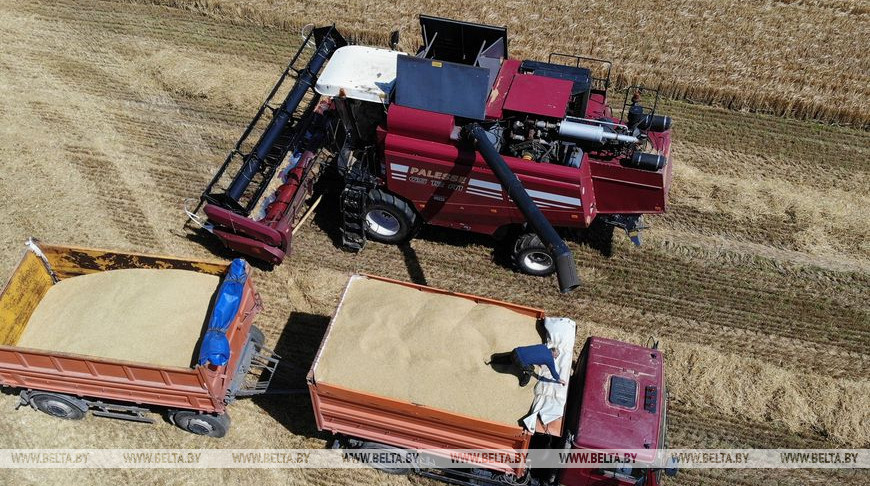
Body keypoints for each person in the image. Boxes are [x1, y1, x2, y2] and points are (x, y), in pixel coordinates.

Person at [488, 344, 566, 387]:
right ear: (553, 354)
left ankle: (494, 360)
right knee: (531, 369)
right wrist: (560, 380)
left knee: (509, 359)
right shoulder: (550, 359)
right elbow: (554, 373)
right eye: (556, 356)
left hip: (515, 351)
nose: (555, 358)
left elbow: (535, 353)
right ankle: (523, 383)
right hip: (519, 360)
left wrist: (539, 362)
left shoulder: (543, 346)